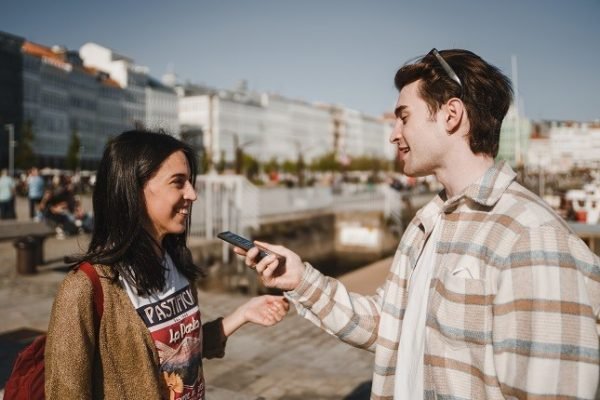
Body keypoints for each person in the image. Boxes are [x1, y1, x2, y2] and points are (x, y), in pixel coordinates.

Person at [236, 49, 600, 399]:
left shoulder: (530, 236)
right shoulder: (429, 221)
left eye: (404, 117)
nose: (394, 133)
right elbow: (388, 326)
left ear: (451, 115)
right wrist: (300, 280)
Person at [45, 130, 289, 399]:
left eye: (190, 182)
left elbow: (181, 351)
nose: (193, 194)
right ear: (134, 189)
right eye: (178, 182)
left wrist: (242, 314)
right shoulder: (84, 289)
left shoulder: (175, 262)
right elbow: (65, 392)